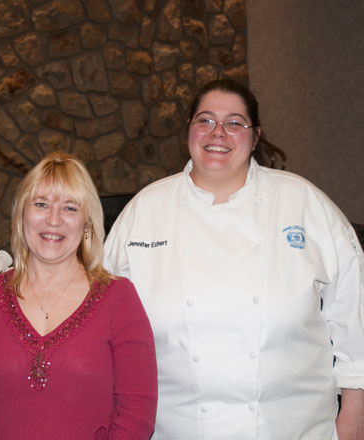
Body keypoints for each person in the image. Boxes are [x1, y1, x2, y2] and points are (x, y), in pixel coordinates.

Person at [104, 78, 364, 440]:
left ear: (255, 137)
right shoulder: (145, 211)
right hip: (174, 429)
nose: (218, 133)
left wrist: (353, 418)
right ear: (189, 130)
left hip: (293, 430)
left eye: (234, 123)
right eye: (205, 120)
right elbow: (100, 320)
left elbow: (354, 316)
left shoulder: (304, 203)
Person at [0, 151, 157, 439]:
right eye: (41, 204)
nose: (53, 219)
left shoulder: (120, 299)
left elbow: (137, 412)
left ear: (87, 224)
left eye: (70, 208)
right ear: (22, 215)